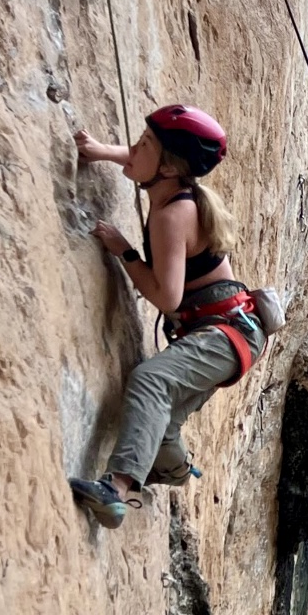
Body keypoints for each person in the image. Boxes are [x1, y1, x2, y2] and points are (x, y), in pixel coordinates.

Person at [68, 104, 261, 528]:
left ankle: (116, 490)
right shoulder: (171, 187)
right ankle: (173, 468)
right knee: (164, 422)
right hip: (231, 331)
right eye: (138, 141)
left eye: (145, 144)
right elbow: (140, 158)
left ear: (170, 168)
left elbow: (168, 298)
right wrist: (100, 151)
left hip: (225, 334)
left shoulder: (174, 215)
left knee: (151, 380)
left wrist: (125, 252)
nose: (133, 149)